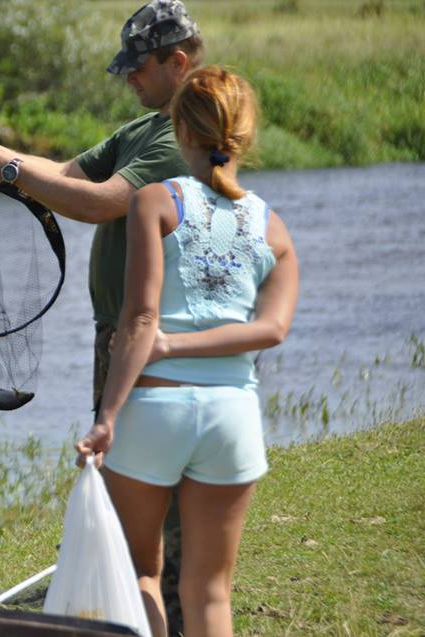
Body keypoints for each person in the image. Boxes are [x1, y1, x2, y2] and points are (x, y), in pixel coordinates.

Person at [0, 1, 203, 631]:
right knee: (124, 490)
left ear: (177, 62)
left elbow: (98, 203)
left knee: (159, 506)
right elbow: (66, 174)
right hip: (115, 334)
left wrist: (6, 169)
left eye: (139, 68)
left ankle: (171, 617)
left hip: (154, 338)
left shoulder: (182, 138)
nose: (130, 79)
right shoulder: (143, 127)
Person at [76, 66, 299, 637]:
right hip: (232, 416)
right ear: (246, 134)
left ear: (180, 130)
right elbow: (272, 330)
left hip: (156, 411)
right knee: (210, 592)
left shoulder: (155, 201)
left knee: (139, 574)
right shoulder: (273, 228)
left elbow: (140, 318)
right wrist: (181, 343)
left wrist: (106, 418)